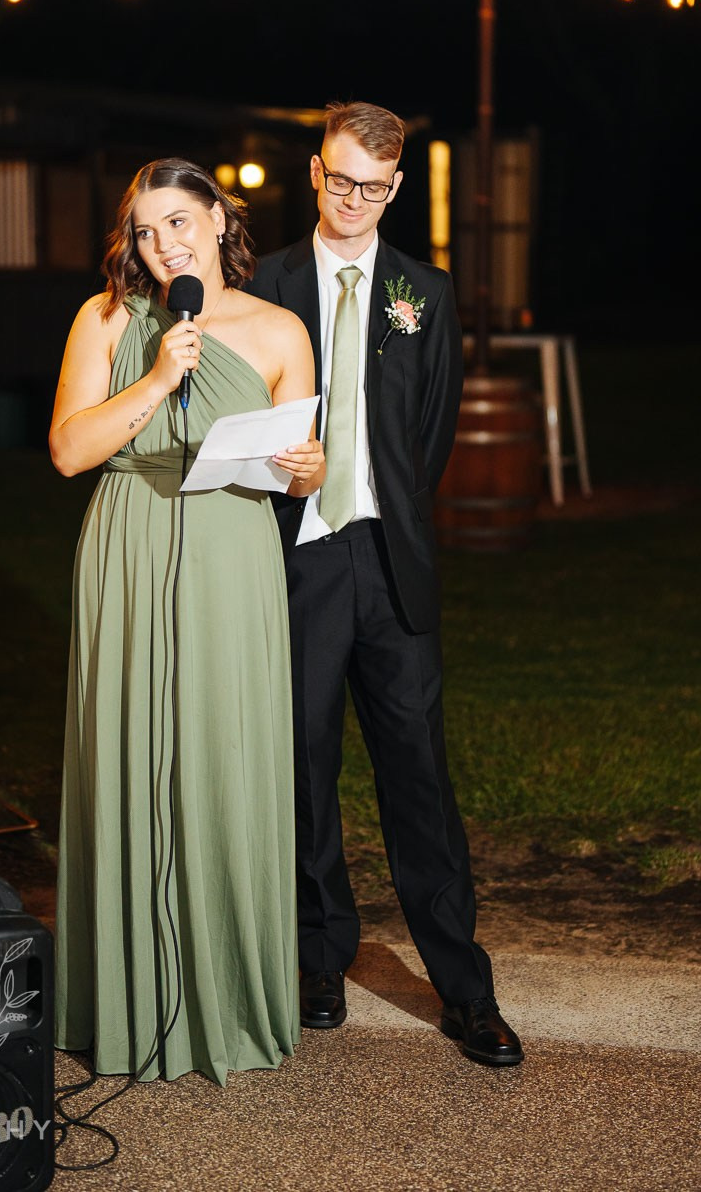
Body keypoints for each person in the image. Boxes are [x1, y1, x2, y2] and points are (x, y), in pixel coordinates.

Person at [248, 101, 523, 1067]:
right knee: (304, 769)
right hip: (300, 563)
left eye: (374, 185)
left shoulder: (427, 292)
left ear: (397, 185)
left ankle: (464, 989)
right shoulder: (268, 285)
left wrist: (382, 507)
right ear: (313, 173)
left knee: (421, 783)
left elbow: (430, 435)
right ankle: (323, 957)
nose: (354, 199)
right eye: (339, 179)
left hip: (392, 569)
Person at [50, 157, 324, 1085]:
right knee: (127, 750)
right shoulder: (106, 320)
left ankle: (230, 997)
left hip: (232, 554)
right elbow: (68, 450)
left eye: (178, 221)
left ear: (217, 219)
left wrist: (307, 468)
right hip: (127, 542)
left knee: (222, 754)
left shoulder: (280, 328)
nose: (164, 243)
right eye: (144, 229)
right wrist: (161, 376)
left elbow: (294, 463)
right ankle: (124, 996)